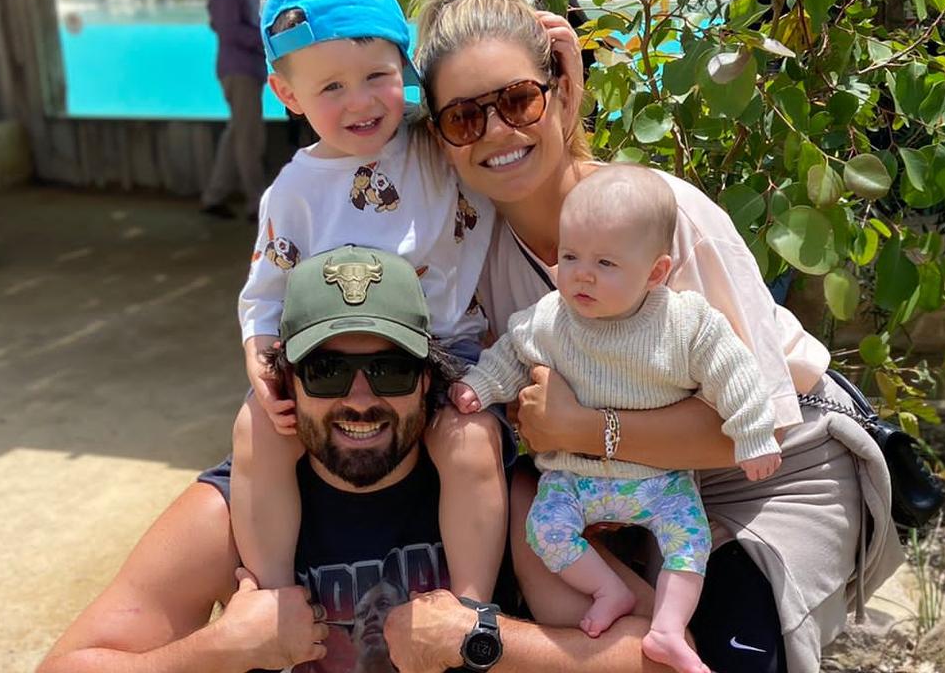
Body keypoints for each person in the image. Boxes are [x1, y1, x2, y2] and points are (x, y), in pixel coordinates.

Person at [412, 0, 903, 673]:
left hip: (771, 468)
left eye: (519, 99)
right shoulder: (479, 262)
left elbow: (753, 428)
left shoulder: (661, 218)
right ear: (440, 137)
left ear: (558, 96)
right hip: (627, 491)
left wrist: (584, 430)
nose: (496, 130)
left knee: (734, 657)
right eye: (464, 117)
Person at [37, 245, 687, 673]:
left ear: (428, 379)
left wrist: (481, 638)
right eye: (325, 370)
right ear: (283, 382)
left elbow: (657, 658)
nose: (359, 398)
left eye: (388, 368)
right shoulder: (231, 512)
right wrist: (223, 648)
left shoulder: (495, 499)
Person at [231, 0, 507, 606]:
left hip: (448, 353)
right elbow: (264, 302)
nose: (359, 102)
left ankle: (471, 605)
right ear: (287, 94)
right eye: (330, 88)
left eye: (377, 76)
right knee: (257, 433)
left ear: (406, 70)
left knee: (471, 444)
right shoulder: (293, 193)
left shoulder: (436, 143)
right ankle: (272, 599)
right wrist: (261, 369)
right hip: (335, 367)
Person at [450, 165, 780, 673]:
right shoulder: (551, 318)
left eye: (605, 262)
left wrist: (754, 433)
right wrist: (478, 386)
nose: (582, 274)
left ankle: (668, 629)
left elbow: (734, 374)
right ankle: (607, 590)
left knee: (689, 543)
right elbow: (510, 355)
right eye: (570, 256)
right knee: (545, 530)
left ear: (655, 272)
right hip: (575, 480)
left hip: (660, 480)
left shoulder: (684, 323)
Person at [201, 0, 274, 221]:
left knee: (237, 134)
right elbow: (227, 28)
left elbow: (216, 19)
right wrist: (268, 38)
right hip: (239, 69)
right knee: (249, 138)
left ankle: (214, 196)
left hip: (244, 68)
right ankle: (257, 204)